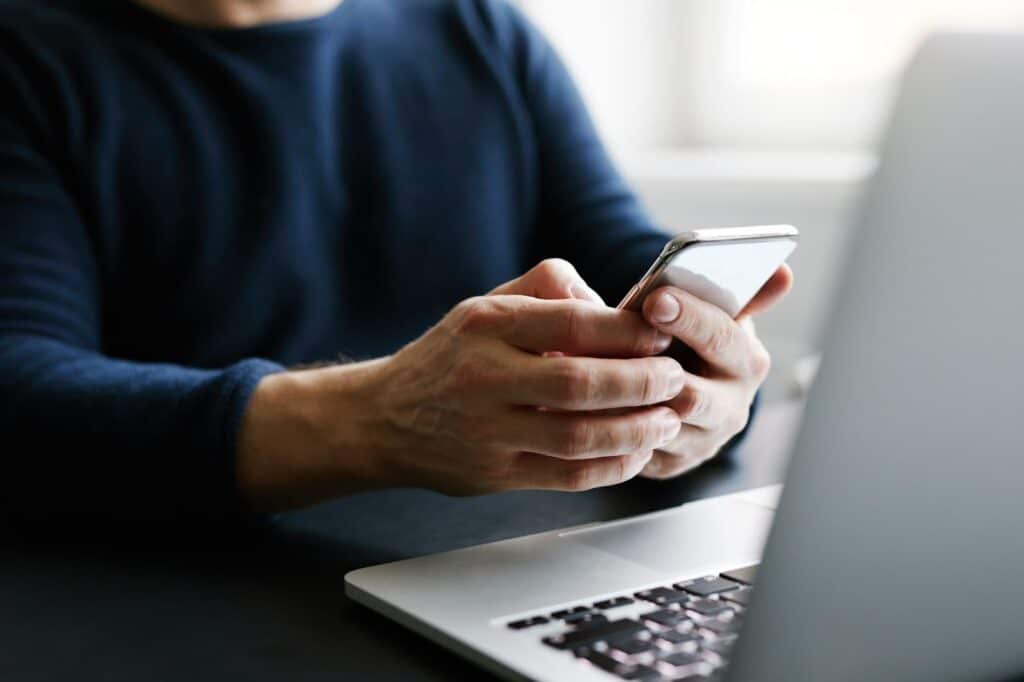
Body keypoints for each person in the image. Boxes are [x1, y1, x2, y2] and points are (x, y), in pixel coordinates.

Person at [0, 0, 792, 526]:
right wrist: (374, 423)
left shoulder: (474, 27)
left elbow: (623, 260)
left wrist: (701, 384)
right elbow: (21, 391)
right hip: (180, 598)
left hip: (499, 565)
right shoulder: (27, 55)